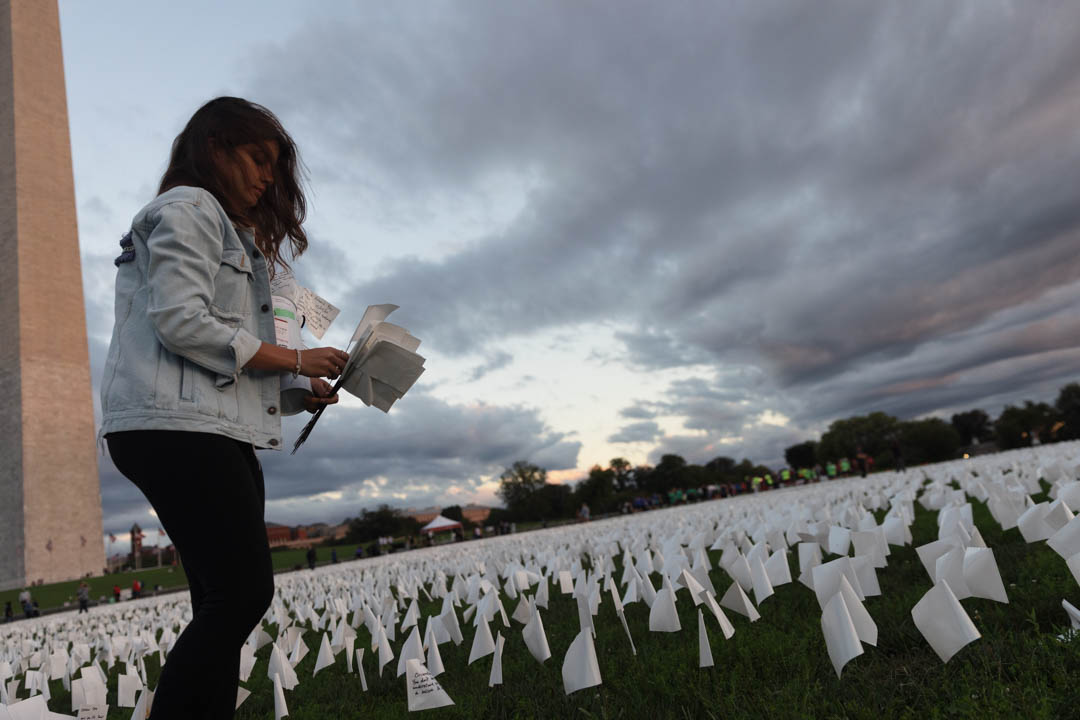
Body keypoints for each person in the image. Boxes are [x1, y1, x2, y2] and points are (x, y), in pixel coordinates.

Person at [99, 97, 350, 720]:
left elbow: (223, 353)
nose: (268, 177)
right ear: (215, 148)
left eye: (274, 165)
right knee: (241, 594)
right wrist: (294, 361)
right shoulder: (189, 208)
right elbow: (183, 322)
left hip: (196, 425)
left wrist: (298, 389)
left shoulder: (217, 222)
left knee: (219, 598)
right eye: (257, 158)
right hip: (174, 427)